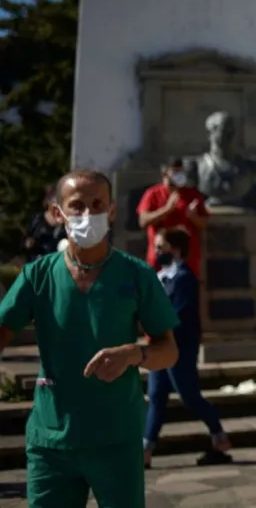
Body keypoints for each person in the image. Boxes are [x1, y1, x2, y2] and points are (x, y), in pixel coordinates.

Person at [0, 169, 179, 508]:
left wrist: (133, 354)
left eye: (97, 205)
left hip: (116, 439)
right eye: (77, 205)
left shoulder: (137, 275)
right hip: (51, 441)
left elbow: (168, 350)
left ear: (111, 211)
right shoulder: (37, 276)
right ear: (57, 212)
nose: (87, 215)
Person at [144, 229, 232, 468]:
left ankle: (219, 436)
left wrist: (152, 323)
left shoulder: (184, 277)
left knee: (189, 396)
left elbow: (178, 314)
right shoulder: (160, 277)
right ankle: (145, 450)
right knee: (156, 396)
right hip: (158, 347)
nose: (157, 252)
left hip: (179, 348)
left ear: (175, 249)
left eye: (161, 247)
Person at [136, 157, 209, 277]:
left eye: (181, 172)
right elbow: (143, 221)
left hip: (187, 260)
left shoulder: (192, 194)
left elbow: (204, 223)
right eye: (175, 172)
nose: (179, 176)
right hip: (160, 258)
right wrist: (166, 210)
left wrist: (193, 217)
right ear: (165, 173)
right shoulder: (152, 194)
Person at [21, 185, 67, 263]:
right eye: (55, 202)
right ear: (48, 202)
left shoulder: (66, 223)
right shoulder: (37, 219)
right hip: (35, 264)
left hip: (54, 266)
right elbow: (23, 243)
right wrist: (28, 243)